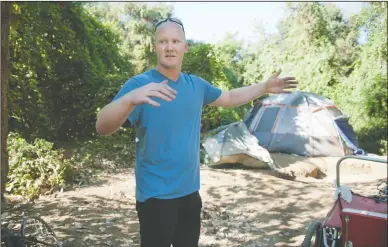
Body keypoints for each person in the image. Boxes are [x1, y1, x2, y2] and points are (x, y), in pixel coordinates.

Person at [95, 17, 297, 247]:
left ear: (185, 47)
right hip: (155, 197)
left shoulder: (196, 85)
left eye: (175, 41)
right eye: (163, 41)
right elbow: (102, 127)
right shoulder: (139, 85)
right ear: (154, 47)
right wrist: (129, 99)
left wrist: (263, 87)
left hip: (190, 194)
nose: (169, 46)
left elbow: (229, 97)